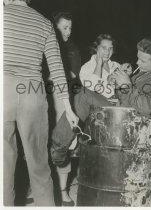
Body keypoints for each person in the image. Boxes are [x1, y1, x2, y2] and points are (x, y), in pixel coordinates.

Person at [3, 0, 78, 206]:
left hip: (2, 91)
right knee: (38, 162)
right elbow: (57, 69)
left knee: (3, 164)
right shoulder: (44, 23)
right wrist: (69, 109)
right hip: (32, 93)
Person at [51, 11, 81, 206]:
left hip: (63, 98)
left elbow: (74, 75)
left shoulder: (71, 49)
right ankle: (43, 189)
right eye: (65, 27)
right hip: (42, 99)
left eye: (70, 27)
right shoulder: (47, 45)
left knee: (63, 139)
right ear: (54, 27)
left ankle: (62, 191)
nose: (68, 31)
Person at [79, 34, 120, 101]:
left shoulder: (116, 65)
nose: (107, 52)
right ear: (96, 48)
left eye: (110, 48)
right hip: (99, 107)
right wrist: (99, 65)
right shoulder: (86, 68)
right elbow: (93, 89)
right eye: (104, 48)